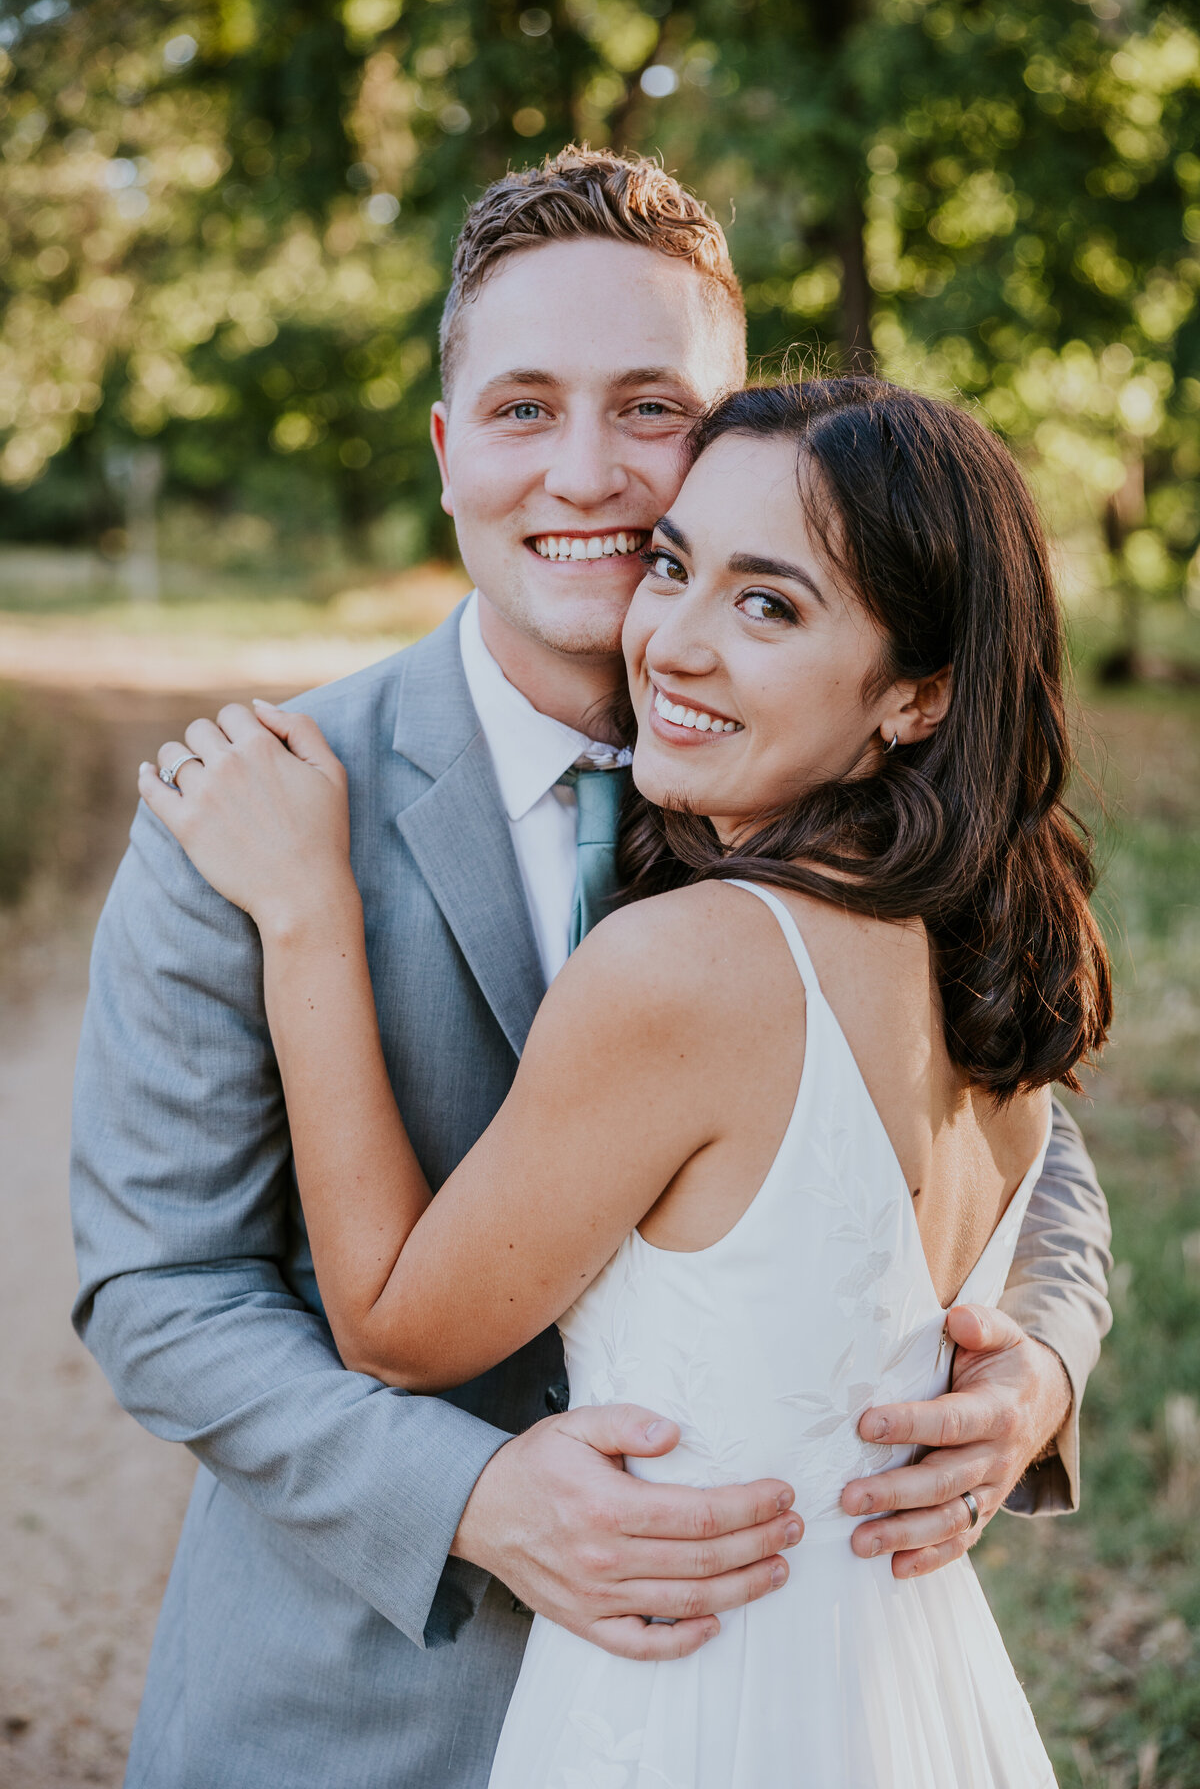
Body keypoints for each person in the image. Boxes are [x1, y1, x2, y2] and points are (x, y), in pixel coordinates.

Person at [71, 149, 1111, 1788]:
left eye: (649, 410)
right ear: (444, 451)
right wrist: (470, 1498)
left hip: (763, 1691)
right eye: (520, 409)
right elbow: (161, 1285)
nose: (587, 472)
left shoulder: (812, 781)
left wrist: (1036, 1367)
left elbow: (1017, 1111)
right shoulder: (255, 811)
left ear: (734, 435)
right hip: (361, 1701)